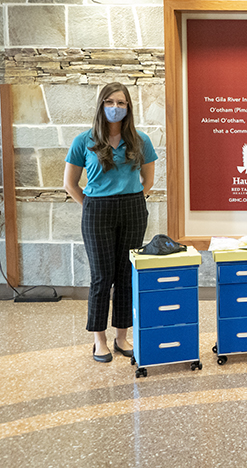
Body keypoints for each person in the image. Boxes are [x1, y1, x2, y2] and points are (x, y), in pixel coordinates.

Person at [63, 82, 157, 363]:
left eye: (121, 103)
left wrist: (130, 201)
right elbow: (70, 184)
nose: (115, 108)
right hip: (97, 211)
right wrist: (92, 206)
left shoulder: (141, 140)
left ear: (128, 108)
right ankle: (99, 340)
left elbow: (148, 181)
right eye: (110, 102)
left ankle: (121, 336)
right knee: (102, 277)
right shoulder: (85, 140)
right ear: (101, 105)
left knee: (126, 276)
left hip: (132, 208)